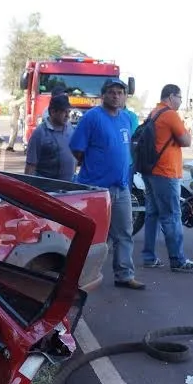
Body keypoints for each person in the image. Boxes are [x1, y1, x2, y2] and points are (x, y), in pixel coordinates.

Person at [69, 78, 145, 290]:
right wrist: (92, 165)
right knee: (91, 235)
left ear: (125, 97)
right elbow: (76, 148)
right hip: (96, 189)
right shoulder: (92, 117)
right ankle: (78, 279)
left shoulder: (126, 119)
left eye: (120, 93)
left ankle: (124, 275)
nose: (116, 96)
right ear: (103, 95)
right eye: (111, 92)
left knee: (124, 233)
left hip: (121, 188)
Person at [142, 84, 193, 272]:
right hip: (166, 173)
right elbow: (186, 141)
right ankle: (178, 260)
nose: (180, 101)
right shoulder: (170, 115)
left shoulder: (154, 112)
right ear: (170, 96)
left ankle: (149, 257)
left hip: (151, 171)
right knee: (171, 216)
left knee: (152, 214)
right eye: (179, 97)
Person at [24, 95, 76, 181]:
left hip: (68, 187)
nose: (67, 115)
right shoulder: (40, 133)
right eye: (64, 112)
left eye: (68, 111)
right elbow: (30, 166)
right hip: (46, 188)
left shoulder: (70, 128)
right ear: (52, 112)